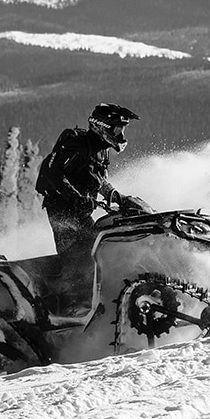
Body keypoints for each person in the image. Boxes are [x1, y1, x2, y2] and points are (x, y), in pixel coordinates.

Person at [34, 103, 150, 316]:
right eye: (117, 129)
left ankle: (101, 297)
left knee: (98, 246)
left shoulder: (101, 149)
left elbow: (99, 181)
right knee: (77, 254)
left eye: (122, 129)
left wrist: (118, 197)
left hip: (80, 209)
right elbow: (54, 173)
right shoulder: (78, 145)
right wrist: (75, 198)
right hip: (62, 210)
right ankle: (69, 307)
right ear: (102, 126)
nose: (120, 134)